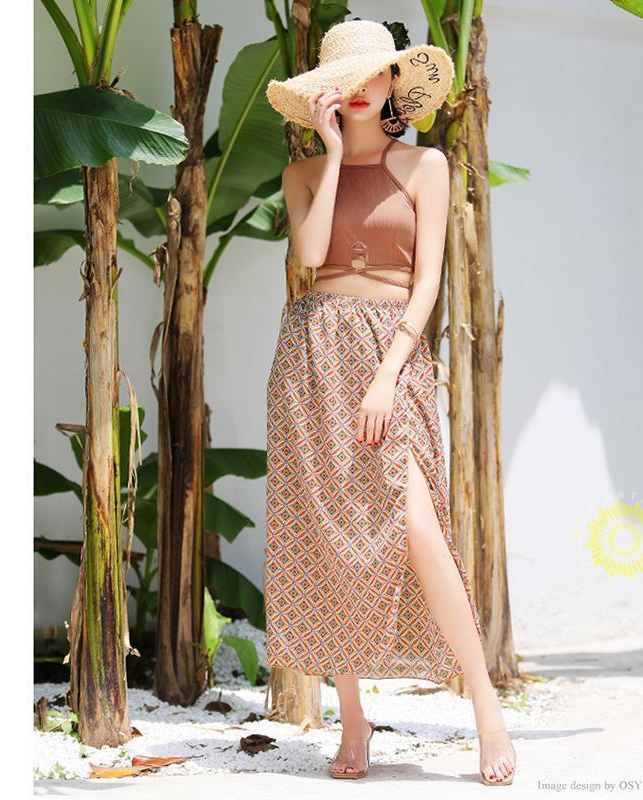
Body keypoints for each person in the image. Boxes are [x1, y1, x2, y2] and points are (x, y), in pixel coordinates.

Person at [264, 19, 517, 786]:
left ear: (395, 84)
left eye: (376, 74)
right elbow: (310, 258)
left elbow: (427, 281)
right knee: (328, 534)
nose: (362, 89)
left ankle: (487, 712)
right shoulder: (305, 173)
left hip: (391, 354)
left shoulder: (426, 165)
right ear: (328, 94)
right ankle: (352, 719)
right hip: (313, 356)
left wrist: (386, 375)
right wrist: (333, 151)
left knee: (419, 529)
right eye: (347, 80)